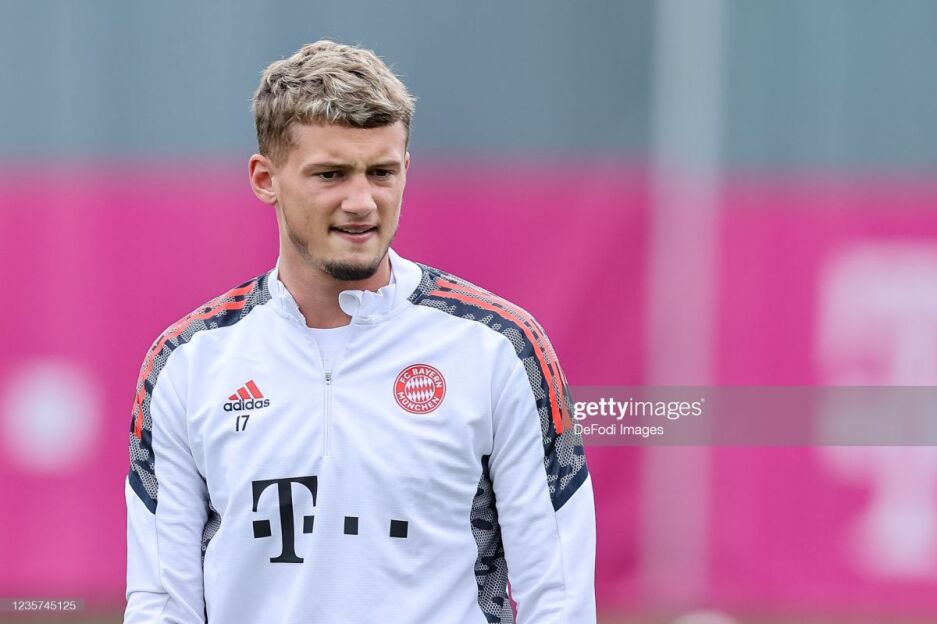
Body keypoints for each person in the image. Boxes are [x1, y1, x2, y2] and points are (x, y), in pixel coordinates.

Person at [125, 40, 595, 623]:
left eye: (381, 173)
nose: (361, 202)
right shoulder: (187, 361)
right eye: (331, 174)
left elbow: (559, 595)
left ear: (406, 171)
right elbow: (161, 603)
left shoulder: (499, 347)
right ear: (265, 178)